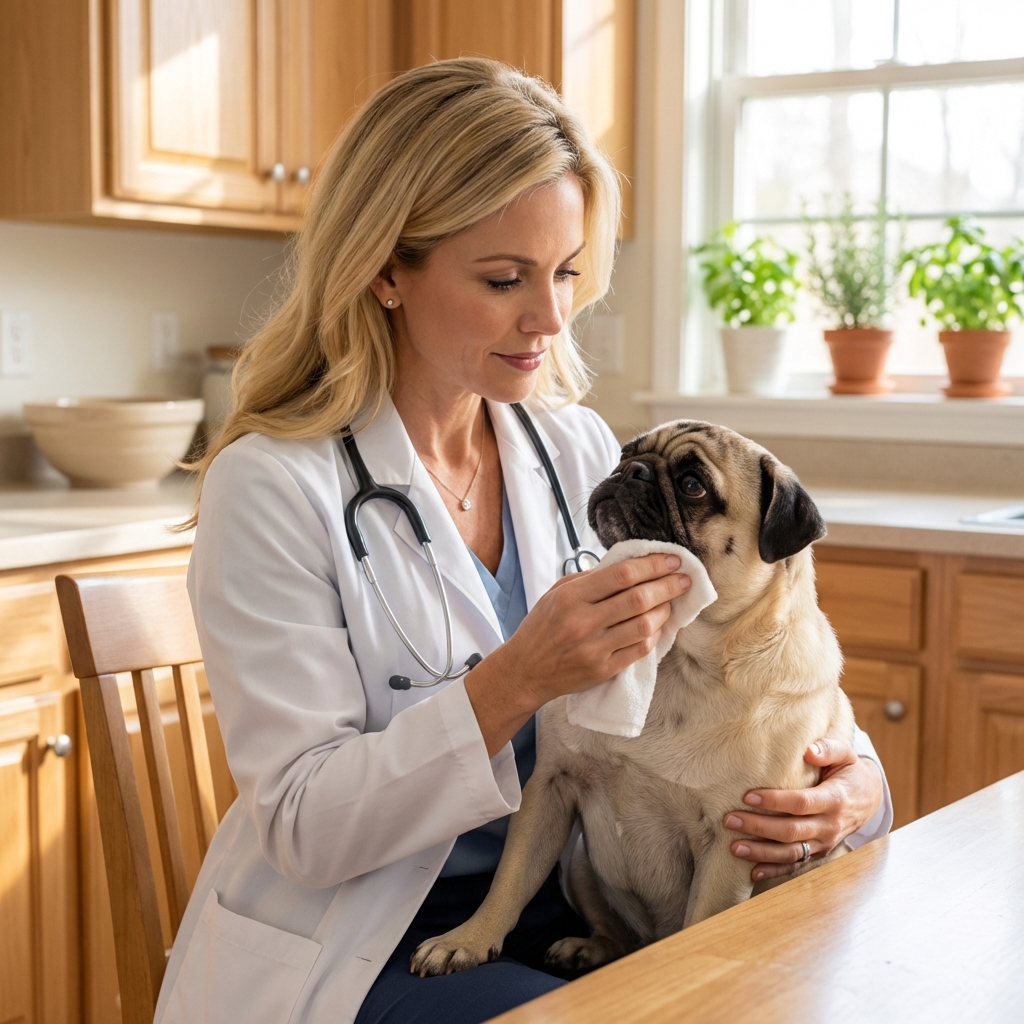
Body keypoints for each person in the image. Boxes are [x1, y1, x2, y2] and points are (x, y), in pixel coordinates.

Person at [156, 58, 891, 1024]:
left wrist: (851, 787)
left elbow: (737, 686)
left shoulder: (570, 445)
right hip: (365, 940)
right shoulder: (274, 484)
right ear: (384, 266)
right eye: (505, 279)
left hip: (579, 901)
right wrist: (518, 680)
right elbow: (300, 826)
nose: (550, 319)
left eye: (568, 273)